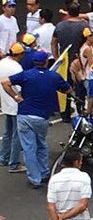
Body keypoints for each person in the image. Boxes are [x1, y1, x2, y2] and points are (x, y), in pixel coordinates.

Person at [3, 49, 70, 187]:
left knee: (28, 147)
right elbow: (67, 89)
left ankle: (34, 178)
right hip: (42, 117)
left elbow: (5, 82)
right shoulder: (53, 76)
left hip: (24, 114)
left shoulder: (26, 75)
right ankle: (44, 172)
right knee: (41, 144)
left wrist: (16, 97)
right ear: (46, 62)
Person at [0, 43, 24, 173]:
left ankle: (3, 157)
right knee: (17, 134)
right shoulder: (16, 67)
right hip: (16, 103)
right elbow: (20, 88)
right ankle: (14, 163)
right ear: (19, 54)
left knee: (7, 132)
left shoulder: (2, 62)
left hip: (5, 102)